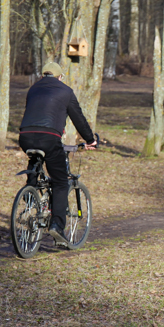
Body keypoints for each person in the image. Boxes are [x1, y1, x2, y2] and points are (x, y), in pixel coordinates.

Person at [18, 61, 98, 247]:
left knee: (35, 159)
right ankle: (57, 225)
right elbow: (78, 118)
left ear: (42, 75)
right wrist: (90, 139)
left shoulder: (33, 89)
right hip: (49, 138)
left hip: (25, 136)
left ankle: (30, 193)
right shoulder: (66, 91)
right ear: (60, 77)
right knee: (61, 181)